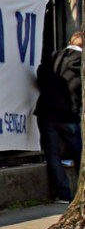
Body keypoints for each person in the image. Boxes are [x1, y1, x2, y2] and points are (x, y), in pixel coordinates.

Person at [34, 31, 83, 204]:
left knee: (53, 154)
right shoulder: (81, 62)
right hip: (69, 113)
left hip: (47, 111)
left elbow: (39, 77)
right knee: (79, 153)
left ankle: (64, 195)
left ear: (70, 41)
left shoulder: (53, 57)